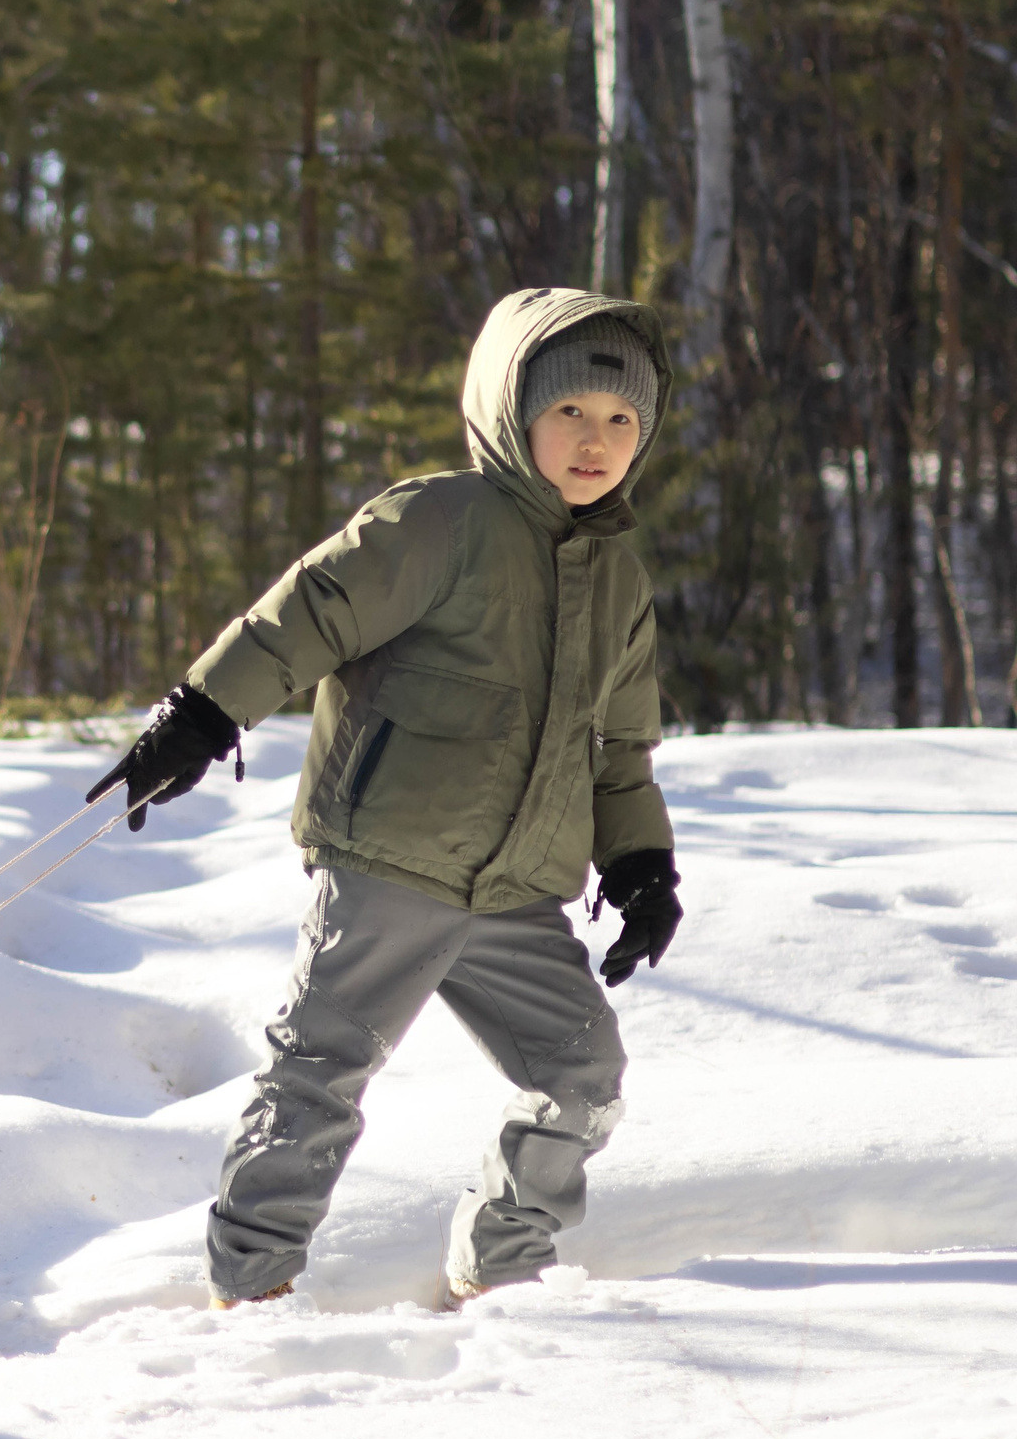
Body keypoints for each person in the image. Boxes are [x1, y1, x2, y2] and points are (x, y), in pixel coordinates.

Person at [88, 287, 685, 1309]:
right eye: (570, 414)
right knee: (319, 1072)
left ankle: (503, 1265)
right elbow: (307, 615)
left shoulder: (618, 582)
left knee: (582, 1076)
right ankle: (253, 1282)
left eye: (621, 420)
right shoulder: (438, 519)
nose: (595, 441)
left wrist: (639, 867)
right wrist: (202, 709)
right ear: (511, 413)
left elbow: (617, 748)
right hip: (390, 862)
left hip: (518, 891)